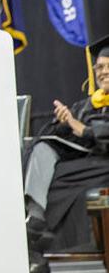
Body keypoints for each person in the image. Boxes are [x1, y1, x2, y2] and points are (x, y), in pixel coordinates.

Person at [25, 36, 109, 271]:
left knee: (74, 186)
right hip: (82, 163)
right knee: (42, 147)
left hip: (102, 163)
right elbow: (67, 136)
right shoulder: (87, 104)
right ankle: (36, 216)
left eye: (108, 66)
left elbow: (88, 132)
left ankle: (58, 253)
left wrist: (84, 129)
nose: (102, 72)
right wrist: (63, 123)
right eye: (99, 67)